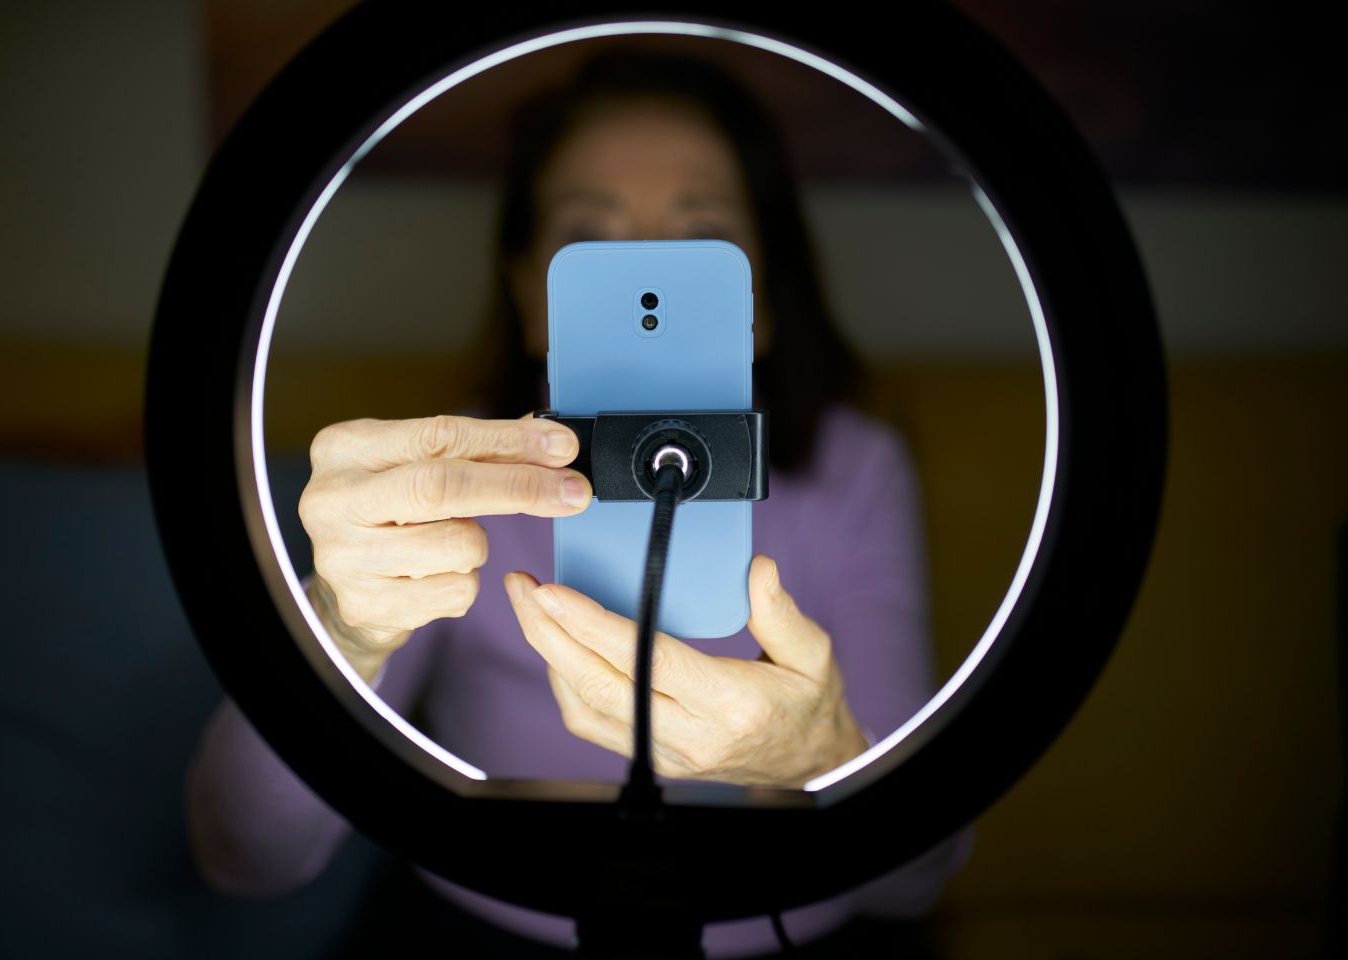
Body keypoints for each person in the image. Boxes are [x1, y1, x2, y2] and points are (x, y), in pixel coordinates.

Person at [187, 47, 972, 957]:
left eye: (699, 238)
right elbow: (242, 857)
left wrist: (819, 759)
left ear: (762, 296)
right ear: (530, 293)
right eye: (591, 240)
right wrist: (334, 628)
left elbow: (920, 878)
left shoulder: (854, 469)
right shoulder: (451, 472)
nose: (646, 276)